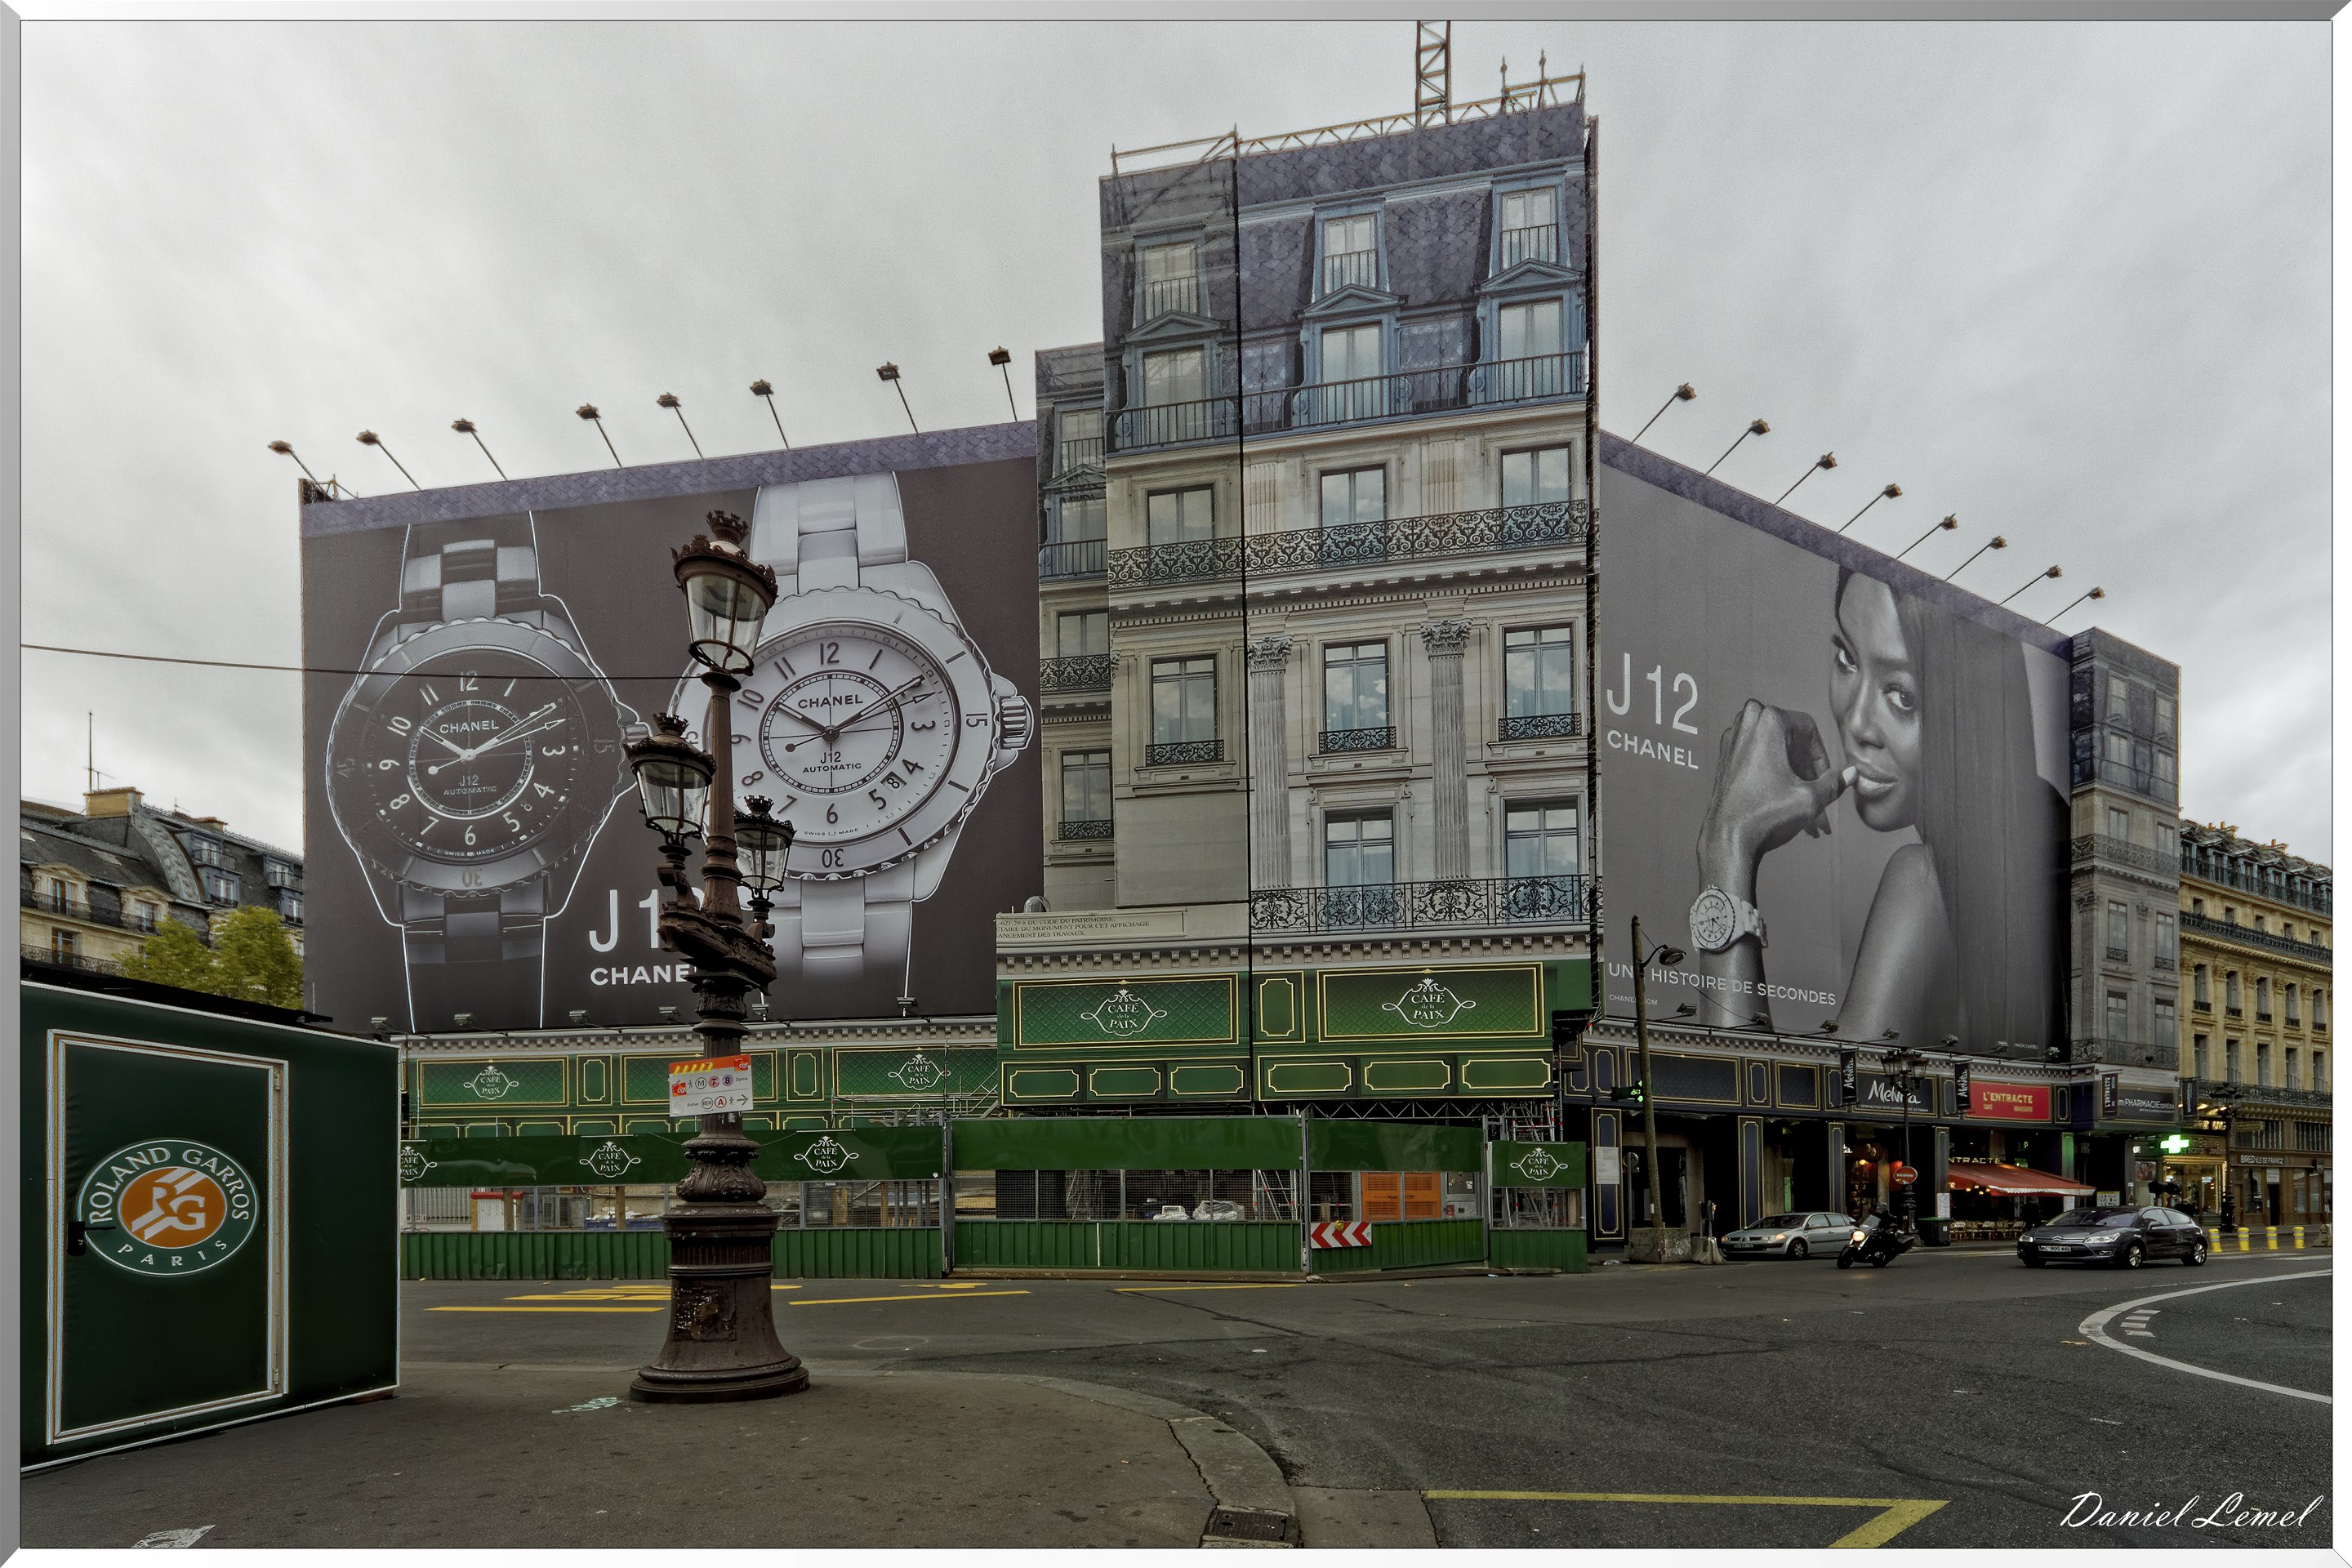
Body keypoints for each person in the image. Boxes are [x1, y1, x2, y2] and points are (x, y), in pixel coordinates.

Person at [1693, 569, 2067, 1050]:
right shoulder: (2043, 838)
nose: (1856, 721)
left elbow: (1745, 1107)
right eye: (1847, 659)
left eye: (1902, 696)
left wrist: (1727, 844)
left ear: (1969, 711)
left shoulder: (1927, 884)